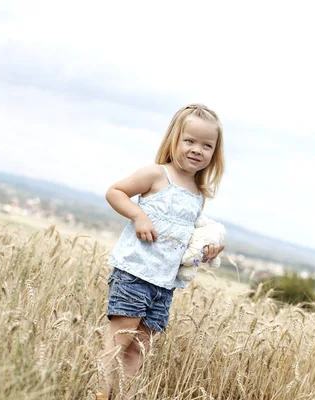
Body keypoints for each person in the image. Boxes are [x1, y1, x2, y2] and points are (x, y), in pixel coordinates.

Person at [95, 104, 226, 399]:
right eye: (189, 141)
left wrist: (207, 252)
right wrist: (139, 216)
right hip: (135, 273)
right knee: (118, 343)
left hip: (164, 286)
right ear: (174, 140)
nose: (197, 150)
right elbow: (115, 192)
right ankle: (99, 394)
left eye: (206, 145)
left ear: (214, 153)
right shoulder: (156, 175)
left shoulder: (197, 194)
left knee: (138, 350)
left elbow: (185, 243)